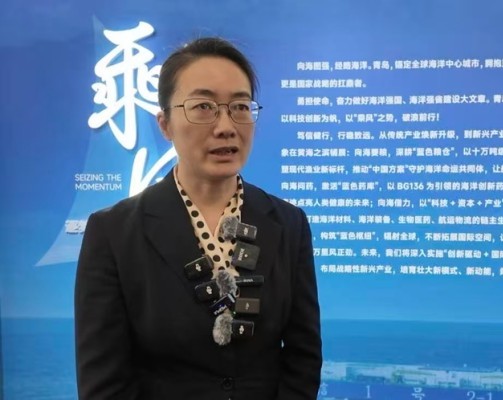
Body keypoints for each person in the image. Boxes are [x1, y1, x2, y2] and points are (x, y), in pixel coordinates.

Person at [74, 37, 322, 400]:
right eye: (204, 106)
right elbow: (104, 381)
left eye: (240, 106)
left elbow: (303, 357)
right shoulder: (113, 232)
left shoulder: (288, 224)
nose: (226, 126)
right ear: (165, 124)